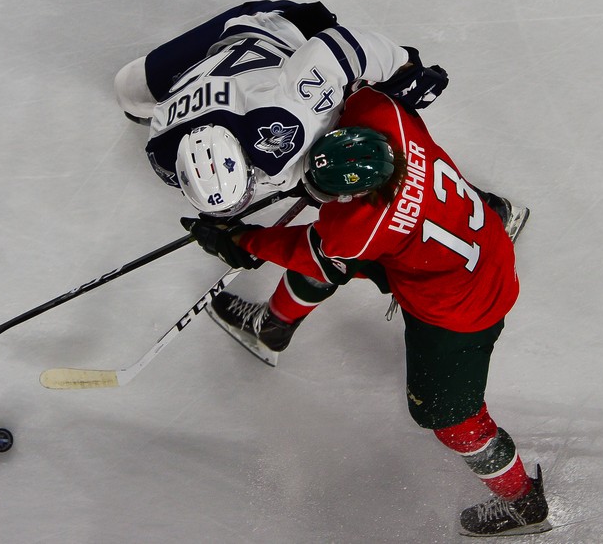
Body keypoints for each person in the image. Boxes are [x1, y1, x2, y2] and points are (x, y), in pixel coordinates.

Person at [181, 85, 548, 537]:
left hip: (461, 309)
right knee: (341, 260)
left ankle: (523, 504)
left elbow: (309, 250)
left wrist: (240, 239)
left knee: (451, 419)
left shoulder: (361, 224)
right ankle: (274, 327)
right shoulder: (387, 115)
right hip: (475, 238)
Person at [114, 0, 450, 216]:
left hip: (277, 32)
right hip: (226, 49)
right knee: (129, 88)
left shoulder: (285, 113)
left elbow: (343, 45)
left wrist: (405, 69)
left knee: (384, 105)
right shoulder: (162, 149)